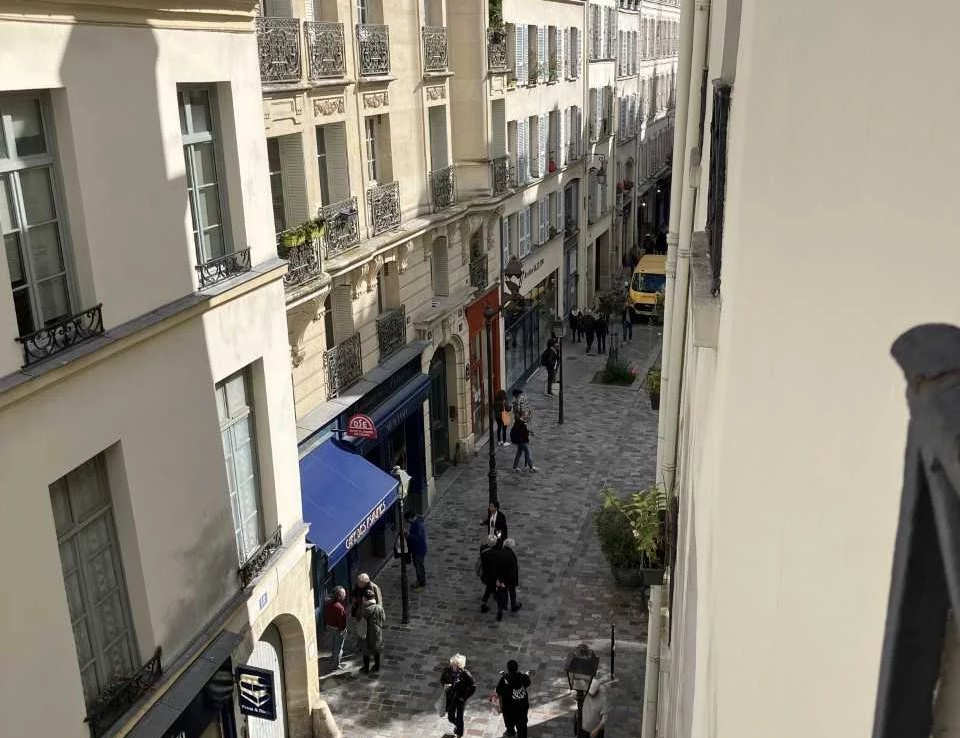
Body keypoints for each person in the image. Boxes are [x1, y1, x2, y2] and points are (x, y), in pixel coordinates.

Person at [441, 654, 476, 738]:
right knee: (451, 717)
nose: (454, 666)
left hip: (460, 698)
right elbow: (442, 679)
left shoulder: (465, 673)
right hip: (451, 697)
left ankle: (459, 733)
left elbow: (473, 686)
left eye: (456, 664)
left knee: (460, 716)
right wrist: (445, 685)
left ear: (460, 665)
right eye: (453, 664)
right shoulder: (447, 670)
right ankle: (459, 726)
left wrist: (464, 697)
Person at [496, 660, 532, 738]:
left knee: (509, 723)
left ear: (508, 668)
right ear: (517, 668)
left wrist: (500, 704)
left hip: (509, 708)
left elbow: (498, 691)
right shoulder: (522, 677)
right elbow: (528, 683)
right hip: (522, 707)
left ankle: (511, 733)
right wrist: (526, 674)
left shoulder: (505, 679)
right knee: (522, 726)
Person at [323, 586, 348, 671]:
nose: (345, 595)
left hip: (330, 627)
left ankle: (333, 659)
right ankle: (335, 664)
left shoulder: (328, 603)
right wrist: (343, 631)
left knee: (333, 644)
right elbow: (342, 623)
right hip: (338, 629)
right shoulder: (339, 608)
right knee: (338, 647)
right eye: (343, 593)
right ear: (339, 596)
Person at [359, 592, 384, 674]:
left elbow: (358, 617)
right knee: (376, 649)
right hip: (377, 632)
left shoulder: (364, 609)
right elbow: (383, 618)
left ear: (365, 598)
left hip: (366, 633)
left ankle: (366, 669)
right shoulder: (379, 607)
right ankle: (377, 667)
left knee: (366, 651)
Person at [407, 512, 428, 589]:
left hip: (419, 550)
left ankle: (421, 582)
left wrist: (409, 535)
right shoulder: (415, 523)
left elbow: (418, 538)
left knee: (419, 566)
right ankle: (420, 580)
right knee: (417, 566)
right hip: (416, 550)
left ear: (410, 518)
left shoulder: (418, 525)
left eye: (407, 520)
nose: (407, 522)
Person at [502, 538, 522, 612]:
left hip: (503, 576)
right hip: (510, 577)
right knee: (512, 592)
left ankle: (504, 604)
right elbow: (513, 568)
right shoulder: (511, 554)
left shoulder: (501, 551)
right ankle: (513, 606)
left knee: (504, 591)